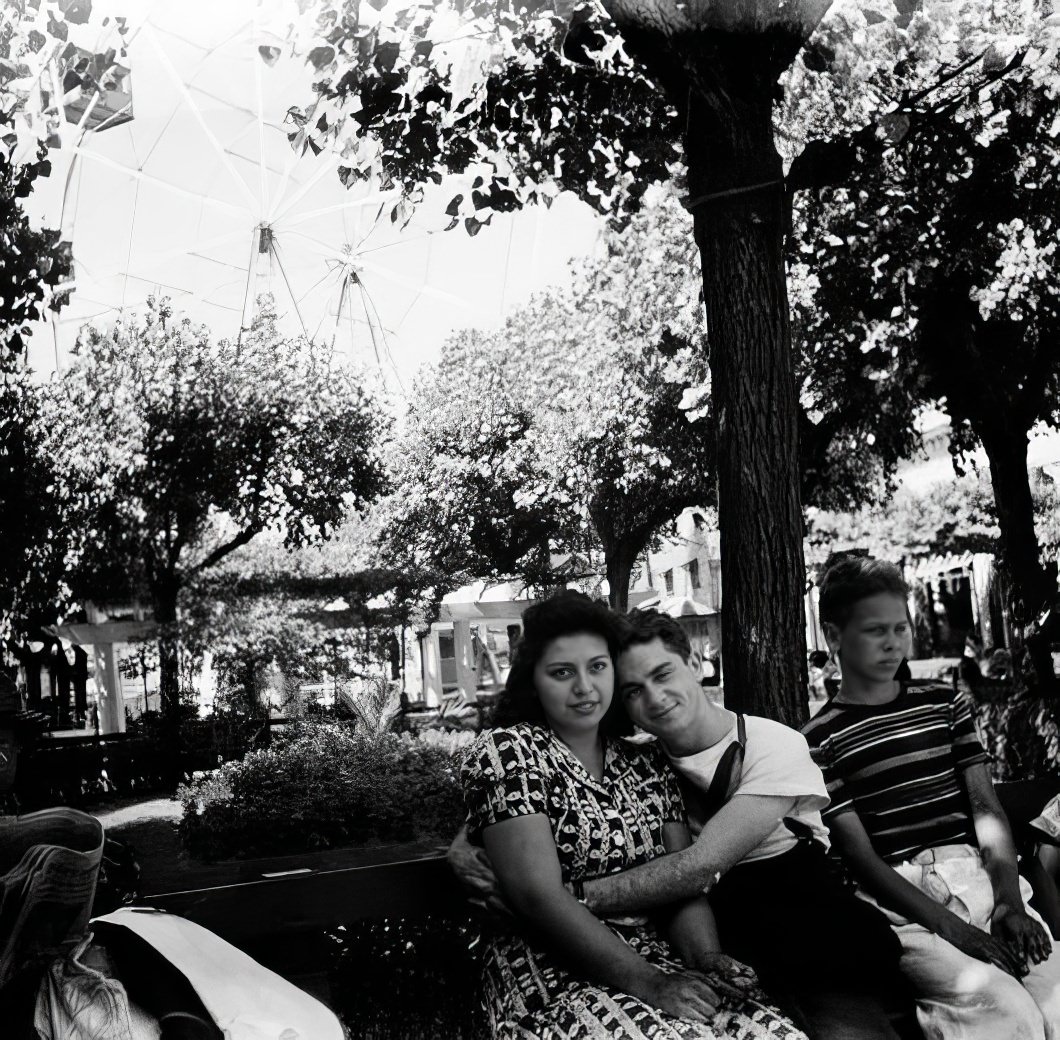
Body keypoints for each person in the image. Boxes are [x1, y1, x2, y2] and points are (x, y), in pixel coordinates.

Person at [453, 606, 908, 1040]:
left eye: (597, 668)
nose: (585, 688)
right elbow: (531, 883)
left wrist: (705, 957)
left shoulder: (647, 762)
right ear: (533, 680)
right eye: (561, 672)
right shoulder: (513, 750)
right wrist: (650, 982)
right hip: (556, 964)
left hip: (727, 938)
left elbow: (687, 874)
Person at [802, 555, 1060, 1040]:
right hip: (908, 906)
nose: (892, 642)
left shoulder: (944, 702)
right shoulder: (819, 738)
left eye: (900, 627)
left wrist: (1009, 902)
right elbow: (860, 857)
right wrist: (955, 932)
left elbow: (986, 807)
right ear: (834, 637)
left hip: (983, 878)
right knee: (1005, 1013)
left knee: (1059, 998)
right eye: (874, 630)